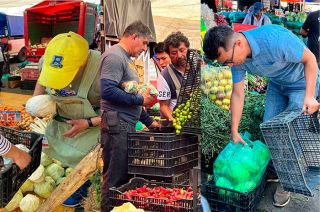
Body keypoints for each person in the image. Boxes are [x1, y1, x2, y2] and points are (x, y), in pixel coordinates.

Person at [203, 25, 319, 207]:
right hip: (277, 84)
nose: (230, 65)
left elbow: (310, 59)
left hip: (301, 82)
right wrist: (234, 130)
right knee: (269, 127)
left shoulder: (274, 39)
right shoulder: (237, 59)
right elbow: (238, 94)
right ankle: (277, 168)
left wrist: (310, 96)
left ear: (238, 43)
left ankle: (287, 181)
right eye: (225, 63)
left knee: (290, 132)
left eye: (229, 60)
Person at [34, 31, 102, 207]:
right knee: (55, 160)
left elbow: (118, 112)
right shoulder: (45, 62)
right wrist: (36, 102)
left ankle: (83, 187)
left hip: (92, 131)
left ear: (83, 63)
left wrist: (88, 122)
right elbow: (41, 81)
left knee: (88, 169)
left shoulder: (102, 69)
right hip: (60, 127)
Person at [100, 20, 158, 211]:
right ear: (134, 36)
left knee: (122, 176)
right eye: (144, 43)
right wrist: (140, 101)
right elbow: (107, 91)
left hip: (125, 124)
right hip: (117, 125)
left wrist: (149, 122)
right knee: (115, 177)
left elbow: (131, 97)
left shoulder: (126, 59)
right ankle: (107, 208)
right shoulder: (115, 57)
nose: (144, 48)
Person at [157, 31, 190, 121]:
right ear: (169, 55)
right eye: (174, 53)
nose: (179, 55)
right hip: (179, 124)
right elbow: (163, 106)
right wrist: (173, 120)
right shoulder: (165, 76)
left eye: (182, 50)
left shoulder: (198, 69)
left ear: (188, 49)